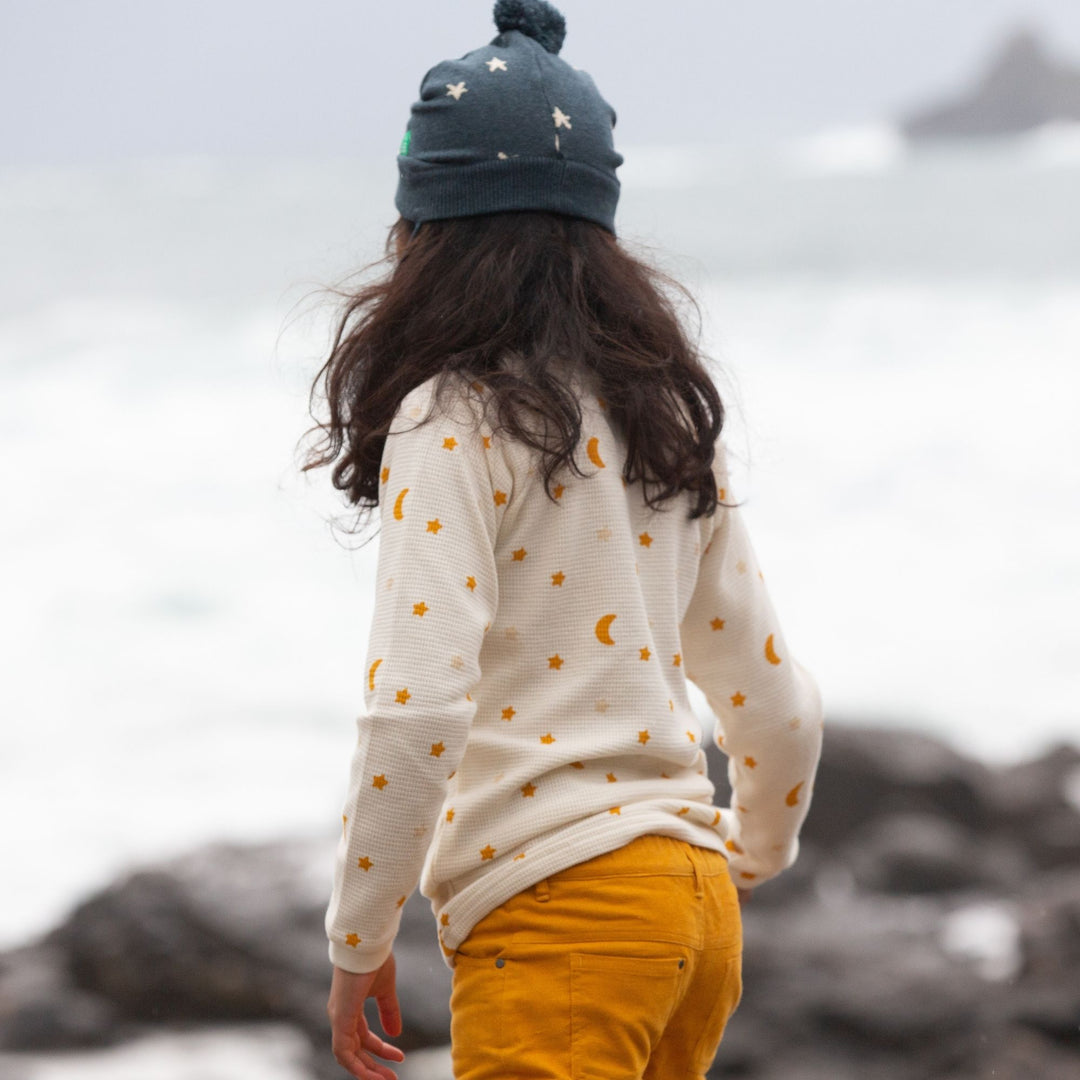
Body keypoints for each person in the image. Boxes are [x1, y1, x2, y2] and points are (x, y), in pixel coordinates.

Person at [301, 2, 824, 1077]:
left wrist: (357, 938)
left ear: (424, 233)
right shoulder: (660, 419)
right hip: (692, 916)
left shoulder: (451, 416)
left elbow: (419, 708)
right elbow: (773, 698)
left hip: (563, 923)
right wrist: (752, 852)